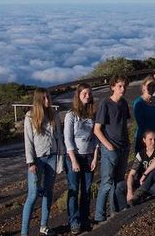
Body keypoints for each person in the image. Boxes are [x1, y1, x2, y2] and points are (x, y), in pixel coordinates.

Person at [21, 88, 63, 236]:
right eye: (44, 98)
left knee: (48, 192)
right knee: (32, 195)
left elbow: (58, 137)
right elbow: (28, 141)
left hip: (52, 156)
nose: (47, 101)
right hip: (37, 159)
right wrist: (30, 162)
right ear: (38, 100)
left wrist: (60, 157)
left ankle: (44, 225)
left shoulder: (54, 115)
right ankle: (24, 232)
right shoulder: (30, 116)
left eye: (48, 98)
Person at [94, 75, 131, 224]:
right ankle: (99, 216)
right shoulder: (105, 104)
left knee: (118, 181)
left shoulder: (123, 104)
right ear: (113, 87)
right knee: (107, 183)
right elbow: (97, 129)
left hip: (123, 147)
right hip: (110, 148)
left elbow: (123, 125)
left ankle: (114, 212)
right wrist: (108, 146)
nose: (123, 89)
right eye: (120, 86)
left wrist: (127, 143)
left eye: (124, 86)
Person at [63, 83, 98, 235]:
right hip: (74, 156)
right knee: (74, 189)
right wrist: (73, 160)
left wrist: (96, 157)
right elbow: (67, 139)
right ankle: (74, 221)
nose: (87, 96)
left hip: (89, 155)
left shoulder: (92, 114)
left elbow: (96, 137)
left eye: (89, 93)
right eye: (84, 93)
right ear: (78, 95)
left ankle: (84, 219)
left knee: (87, 189)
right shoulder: (71, 115)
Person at [123, 131, 155, 207]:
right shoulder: (140, 155)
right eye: (150, 139)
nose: (153, 142)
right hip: (146, 185)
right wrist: (129, 191)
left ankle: (138, 195)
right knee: (120, 186)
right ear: (144, 140)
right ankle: (125, 207)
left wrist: (144, 174)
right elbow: (131, 174)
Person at [132, 76, 155, 155]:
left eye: (153, 86)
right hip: (144, 139)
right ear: (143, 87)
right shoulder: (139, 103)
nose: (151, 88)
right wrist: (148, 140)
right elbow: (141, 123)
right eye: (149, 85)